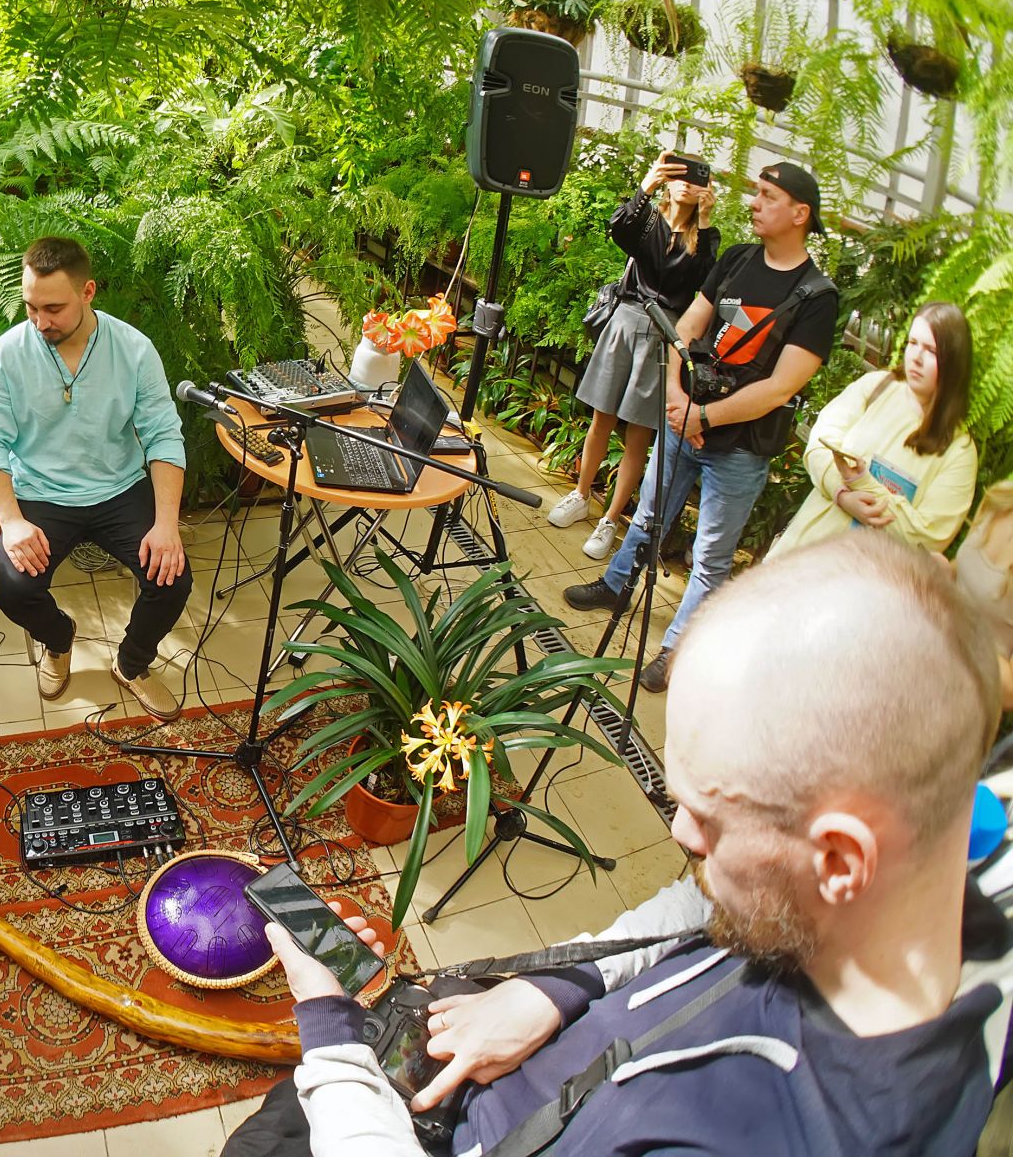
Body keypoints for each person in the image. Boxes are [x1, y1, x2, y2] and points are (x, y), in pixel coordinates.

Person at [227, 533, 1008, 1156]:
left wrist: (328, 1030)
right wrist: (560, 988)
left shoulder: (779, 1131)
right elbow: (699, 909)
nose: (680, 835)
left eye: (708, 818)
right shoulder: (896, 883)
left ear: (839, 860)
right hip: (496, 1065)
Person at [564, 162, 840, 693]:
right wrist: (676, 399)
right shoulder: (738, 260)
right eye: (757, 193)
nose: (754, 203)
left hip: (739, 447)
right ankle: (616, 586)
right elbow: (687, 326)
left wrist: (704, 417)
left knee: (711, 557)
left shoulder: (816, 297)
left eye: (768, 196)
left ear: (800, 213)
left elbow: (780, 387)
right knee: (648, 515)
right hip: (684, 418)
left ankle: (677, 649)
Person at [0, 237, 190, 720]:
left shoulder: (133, 349)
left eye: (53, 308)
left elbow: (164, 437)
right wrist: (12, 521)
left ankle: (131, 665)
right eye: (31, 307)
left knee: (172, 578)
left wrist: (166, 524)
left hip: (119, 486)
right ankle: (59, 638)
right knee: (12, 587)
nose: (40, 321)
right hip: (39, 491)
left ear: (88, 292)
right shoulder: (5, 356)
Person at [548, 151, 719, 559]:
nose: (685, 183)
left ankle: (610, 519)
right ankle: (580, 495)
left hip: (665, 334)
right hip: (625, 322)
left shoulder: (702, 238)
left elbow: (706, 279)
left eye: (695, 179)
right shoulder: (649, 221)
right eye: (678, 174)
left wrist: (706, 221)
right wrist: (648, 183)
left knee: (638, 435)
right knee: (601, 420)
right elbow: (619, 228)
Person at [770, 301, 977, 558]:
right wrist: (842, 494)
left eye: (931, 350)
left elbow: (927, 539)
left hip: (862, 577)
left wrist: (863, 484)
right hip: (796, 557)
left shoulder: (959, 451)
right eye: (913, 343)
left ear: (953, 361)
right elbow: (819, 446)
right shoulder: (877, 386)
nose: (917, 358)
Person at [954, 477, 1013, 712]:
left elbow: (1009, 693)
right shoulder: (1000, 498)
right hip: (924, 653)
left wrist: (956, 629)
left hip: (967, 701)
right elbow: (964, 571)